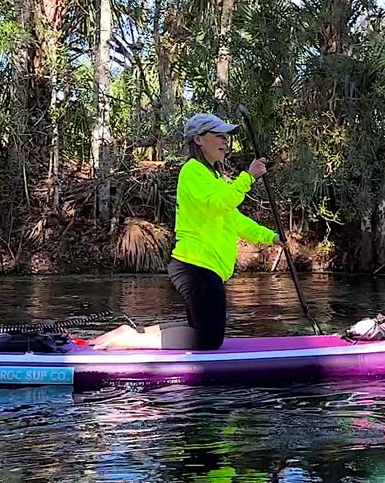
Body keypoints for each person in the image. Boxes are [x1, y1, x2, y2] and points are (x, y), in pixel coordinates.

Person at [93, 112, 280, 350]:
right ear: (199, 139)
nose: (225, 141)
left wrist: (272, 237)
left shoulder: (213, 178)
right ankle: (131, 341)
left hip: (203, 267)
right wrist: (248, 178)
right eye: (219, 135)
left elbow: (235, 220)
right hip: (196, 266)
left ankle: (133, 333)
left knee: (200, 329)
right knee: (209, 339)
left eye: (226, 136)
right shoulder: (192, 171)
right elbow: (220, 203)